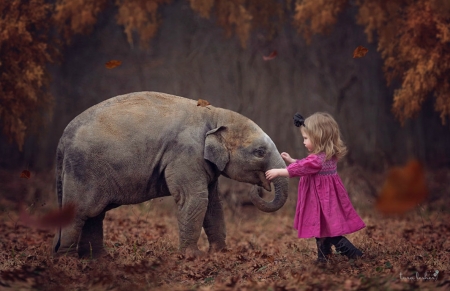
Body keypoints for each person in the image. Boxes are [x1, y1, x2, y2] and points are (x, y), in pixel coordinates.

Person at [265, 112, 365, 263]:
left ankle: (354, 254)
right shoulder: (327, 156)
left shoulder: (316, 159)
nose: (304, 142)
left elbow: (306, 167)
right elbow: (307, 166)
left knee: (331, 232)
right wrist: (292, 160)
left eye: (306, 138)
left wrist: (279, 171)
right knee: (322, 228)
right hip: (326, 199)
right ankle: (323, 257)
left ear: (319, 138)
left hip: (319, 199)